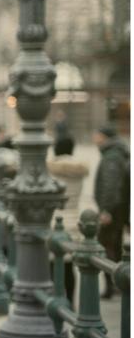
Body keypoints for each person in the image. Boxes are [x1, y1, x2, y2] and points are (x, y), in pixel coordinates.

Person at [47, 136, 88, 305]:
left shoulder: (51, 169)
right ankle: (71, 301)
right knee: (69, 267)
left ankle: (56, 300)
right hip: (74, 219)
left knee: (52, 265)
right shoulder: (79, 171)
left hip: (55, 220)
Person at [92, 123, 130, 299]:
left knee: (107, 246)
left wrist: (106, 210)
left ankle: (112, 285)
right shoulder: (114, 153)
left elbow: (110, 184)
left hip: (113, 210)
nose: (94, 138)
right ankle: (116, 284)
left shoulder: (112, 157)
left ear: (104, 136)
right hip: (119, 209)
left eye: (97, 134)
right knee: (114, 246)